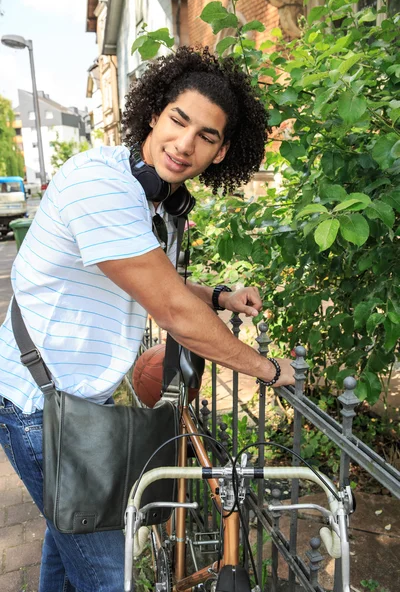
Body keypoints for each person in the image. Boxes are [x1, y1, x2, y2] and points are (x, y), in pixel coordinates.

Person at [0, 47, 294, 592]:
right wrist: (268, 369)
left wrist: (221, 295)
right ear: (154, 114)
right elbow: (172, 309)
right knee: (109, 577)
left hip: (72, 402)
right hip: (36, 409)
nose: (184, 144)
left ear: (222, 150)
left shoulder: (154, 199)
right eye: (178, 120)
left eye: (206, 135)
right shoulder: (102, 185)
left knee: (66, 547)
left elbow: (155, 276)